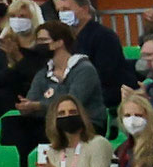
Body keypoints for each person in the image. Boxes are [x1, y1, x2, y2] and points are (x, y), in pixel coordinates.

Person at [5, 18, 104, 157]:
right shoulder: (43, 73)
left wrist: (39, 106)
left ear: (59, 42)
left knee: (45, 132)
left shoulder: (84, 69)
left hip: (85, 122)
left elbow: (73, 102)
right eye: (38, 41)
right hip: (52, 121)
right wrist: (26, 106)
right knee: (12, 124)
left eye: (43, 40)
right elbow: (32, 99)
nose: (39, 45)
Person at [52, 0, 126, 115]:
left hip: (99, 97)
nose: (62, 14)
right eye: (59, 11)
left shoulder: (104, 36)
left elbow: (105, 75)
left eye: (66, 9)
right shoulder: (64, 39)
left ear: (85, 9)